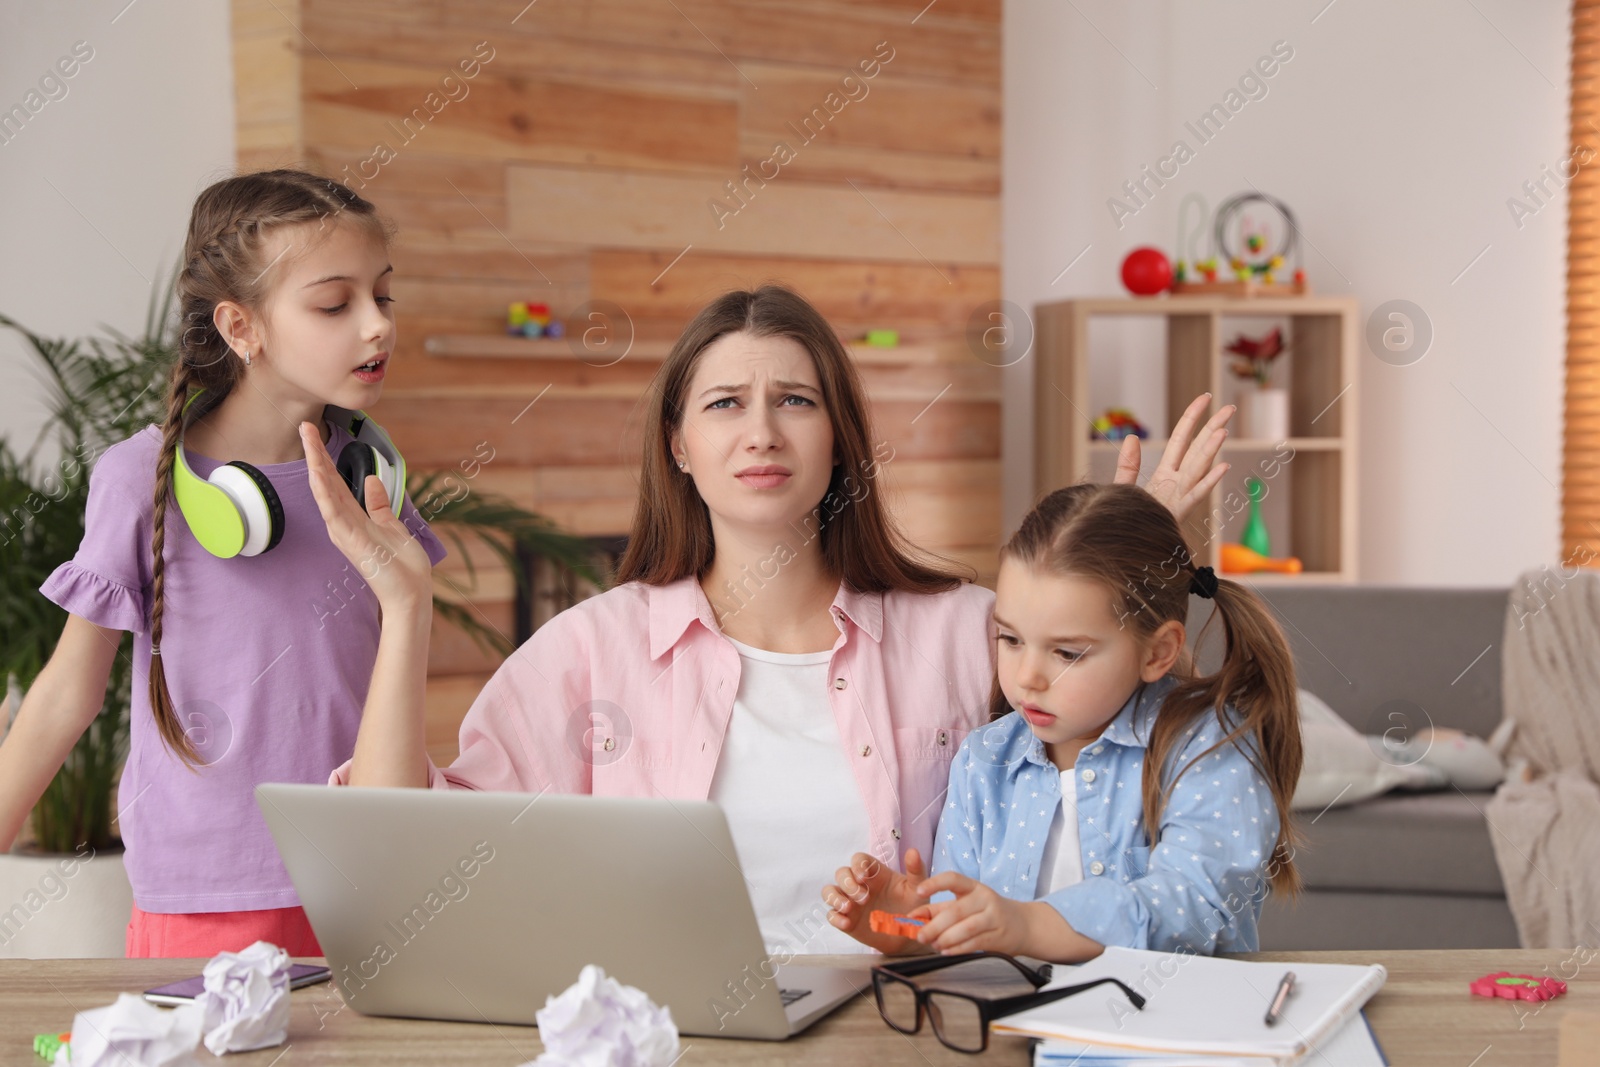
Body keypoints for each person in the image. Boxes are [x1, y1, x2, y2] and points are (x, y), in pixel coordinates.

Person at [301, 284, 1235, 954]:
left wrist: (1129, 567)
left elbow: (1131, 757)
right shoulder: (594, 649)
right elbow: (412, 860)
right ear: (680, 443)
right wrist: (403, 608)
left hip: (909, 1027)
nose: (762, 431)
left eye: (796, 400)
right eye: (724, 404)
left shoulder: (965, 628)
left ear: (838, 439)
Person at [0, 170, 447, 958]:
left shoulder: (374, 482)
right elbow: (66, 695)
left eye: (384, 295)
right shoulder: (140, 479)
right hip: (205, 894)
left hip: (363, 880)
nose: (377, 325)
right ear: (241, 327)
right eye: (335, 303)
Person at [823, 483, 1303, 961]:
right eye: (1010, 639)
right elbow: (967, 931)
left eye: (1068, 653)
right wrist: (905, 931)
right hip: (1013, 1028)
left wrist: (1026, 923)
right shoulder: (984, 758)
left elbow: (1193, 909)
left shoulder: (1206, 747)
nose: (1027, 678)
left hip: (1169, 1027)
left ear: (1158, 652)